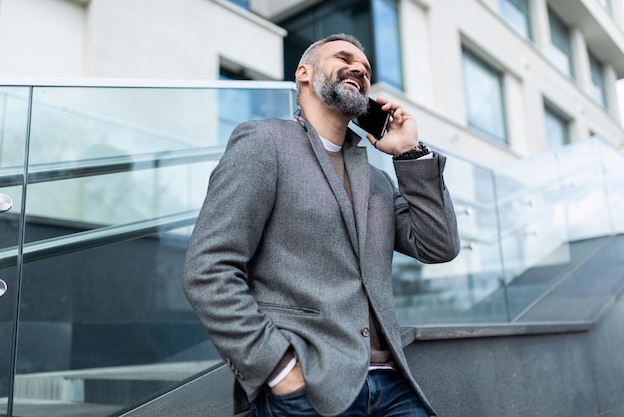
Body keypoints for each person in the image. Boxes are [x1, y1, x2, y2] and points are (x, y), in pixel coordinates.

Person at [182, 33, 460, 417]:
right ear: (304, 73)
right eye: (343, 57)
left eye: (365, 69)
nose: (359, 69)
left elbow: (438, 246)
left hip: (394, 386)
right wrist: (279, 370)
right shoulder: (264, 141)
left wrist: (410, 153)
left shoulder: (376, 179)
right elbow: (208, 269)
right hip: (309, 387)